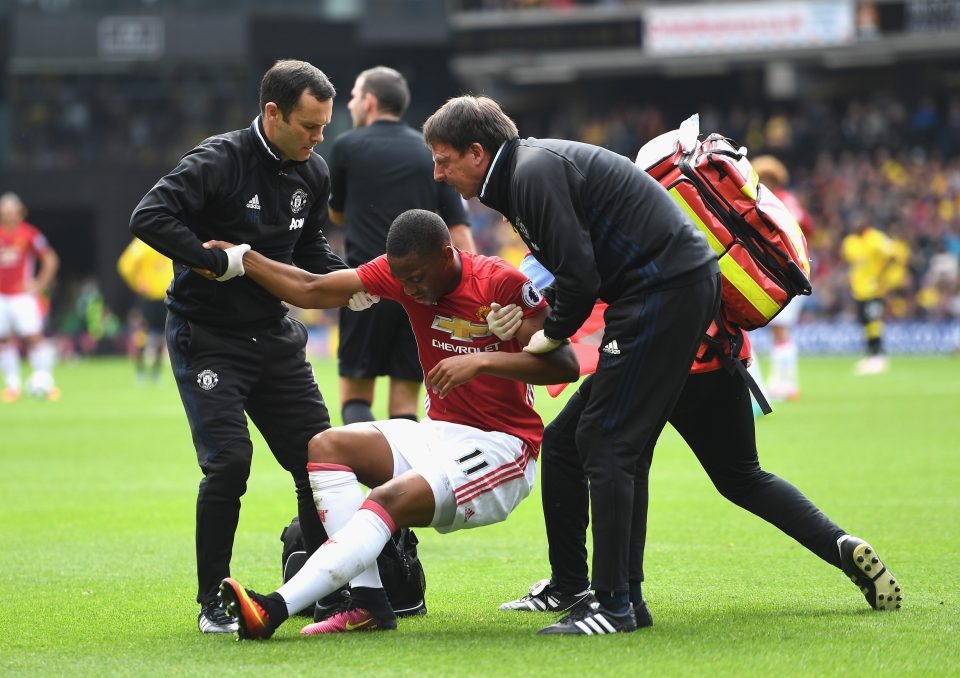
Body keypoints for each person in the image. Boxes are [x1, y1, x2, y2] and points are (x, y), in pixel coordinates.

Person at [422, 95, 721, 634]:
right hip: (664, 290)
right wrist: (529, 312)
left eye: (443, 159)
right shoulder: (526, 171)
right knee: (569, 443)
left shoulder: (531, 174)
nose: (438, 174)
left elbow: (582, 278)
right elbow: (581, 266)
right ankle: (594, 591)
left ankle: (613, 605)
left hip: (663, 291)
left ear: (476, 152)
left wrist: (546, 336)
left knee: (608, 444)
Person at [205, 208, 579, 638]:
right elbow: (311, 288)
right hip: (438, 432)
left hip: (502, 448)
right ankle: (367, 603)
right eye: (401, 280)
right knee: (326, 446)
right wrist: (243, 259)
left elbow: (565, 365)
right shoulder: (403, 273)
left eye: (417, 278)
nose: (409, 289)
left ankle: (273, 609)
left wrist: (483, 361)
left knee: (386, 499)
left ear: (446, 254)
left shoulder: (500, 282)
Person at [496, 255, 901, 634]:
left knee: (594, 453)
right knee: (743, 475)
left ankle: (598, 594)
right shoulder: (663, 201)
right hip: (716, 352)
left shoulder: (563, 201)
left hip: (649, 355)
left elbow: (539, 282)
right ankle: (839, 544)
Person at [129, 59, 374, 634]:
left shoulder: (311, 174)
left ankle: (317, 588)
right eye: (310, 127)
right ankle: (212, 601)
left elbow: (308, 246)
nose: (319, 140)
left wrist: (354, 284)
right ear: (272, 113)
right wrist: (215, 262)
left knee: (319, 458)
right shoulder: (218, 160)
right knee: (230, 463)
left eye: (324, 127)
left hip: (276, 337)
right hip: (208, 336)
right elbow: (148, 216)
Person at [327, 66, 474, 426]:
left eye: (355, 96)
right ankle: (404, 481)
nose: (351, 103)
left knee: (356, 394)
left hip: (368, 286)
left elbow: (336, 214)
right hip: (423, 291)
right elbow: (458, 228)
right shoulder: (430, 153)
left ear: (370, 101)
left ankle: (372, 481)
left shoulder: (347, 146)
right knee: (406, 400)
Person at [750, 155, 814, 402]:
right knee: (779, 329)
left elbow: (803, 227)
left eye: (768, 177)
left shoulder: (779, 200)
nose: (764, 181)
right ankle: (785, 382)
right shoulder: (786, 200)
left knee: (780, 328)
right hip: (785, 270)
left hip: (788, 271)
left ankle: (784, 383)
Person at [0, 192, 60, 402]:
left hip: (22, 296)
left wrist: (39, 284)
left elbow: (50, 259)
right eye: (4, 209)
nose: (8, 214)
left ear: (19, 212)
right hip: (1, 297)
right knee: (4, 340)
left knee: (34, 338)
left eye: (11, 209)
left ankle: (46, 381)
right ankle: (12, 385)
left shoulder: (29, 234)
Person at [841, 220, 897, 375]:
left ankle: (878, 356)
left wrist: (881, 274)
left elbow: (893, 255)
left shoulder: (876, 238)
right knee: (866, 323)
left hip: (874, 289)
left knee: (874, 321)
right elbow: (850, 261)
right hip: (859, 290)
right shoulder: (851, 242)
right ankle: (872, 355)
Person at [116, 238, 172, 383]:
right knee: (143, 333)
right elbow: (125, 265)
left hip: (167, 296)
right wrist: (137, 283)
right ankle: (141, 370)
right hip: (150, 296)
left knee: (161, 334)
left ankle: (155, 372)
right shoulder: (144, 242)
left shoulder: (168, 240)